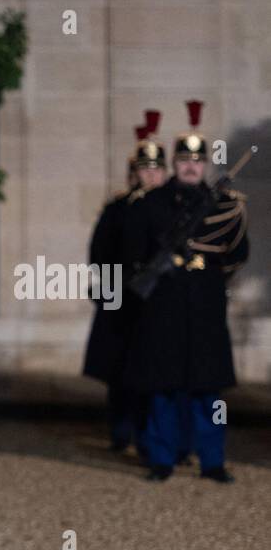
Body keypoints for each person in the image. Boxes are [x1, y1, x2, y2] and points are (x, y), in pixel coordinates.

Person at [121, 100, 249, 483]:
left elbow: (237, 255)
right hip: (164, 306)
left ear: (205, 164)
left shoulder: (225, 206)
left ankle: (212, 460)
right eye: (184, 160)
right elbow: (134, 253)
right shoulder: (152, 204)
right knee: (163, 387)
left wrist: (207, 278)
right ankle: (162, 458)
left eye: (198, 160)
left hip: (206, 307)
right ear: (174, 164)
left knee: (207, 390)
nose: (191, 166)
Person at [82, 114, 166, 455]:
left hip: (158, 301)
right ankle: (121, 433)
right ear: (134, 173)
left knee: (153, 374)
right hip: (121, 300)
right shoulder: (118, 209)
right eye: (143, 170)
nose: (149, 175)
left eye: (155, 169)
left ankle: (152, 439)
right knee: (119, 372)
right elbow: (99, 252)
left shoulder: (172, 208)